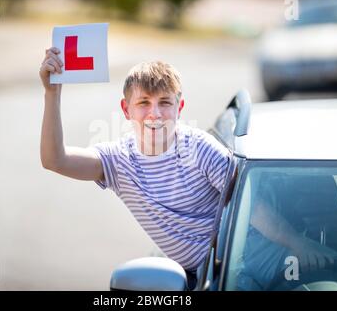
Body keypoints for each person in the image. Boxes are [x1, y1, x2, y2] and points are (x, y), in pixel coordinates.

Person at [39, 47, 231, 288]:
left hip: (241, 268)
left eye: (164, 102)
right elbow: (55, 160)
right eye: (143, 102)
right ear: (126, 109)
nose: (155, 114)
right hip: (202, 278)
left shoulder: (200, 148)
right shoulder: (118, 161)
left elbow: (255, 206)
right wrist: (51, 94)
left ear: (179, 107)